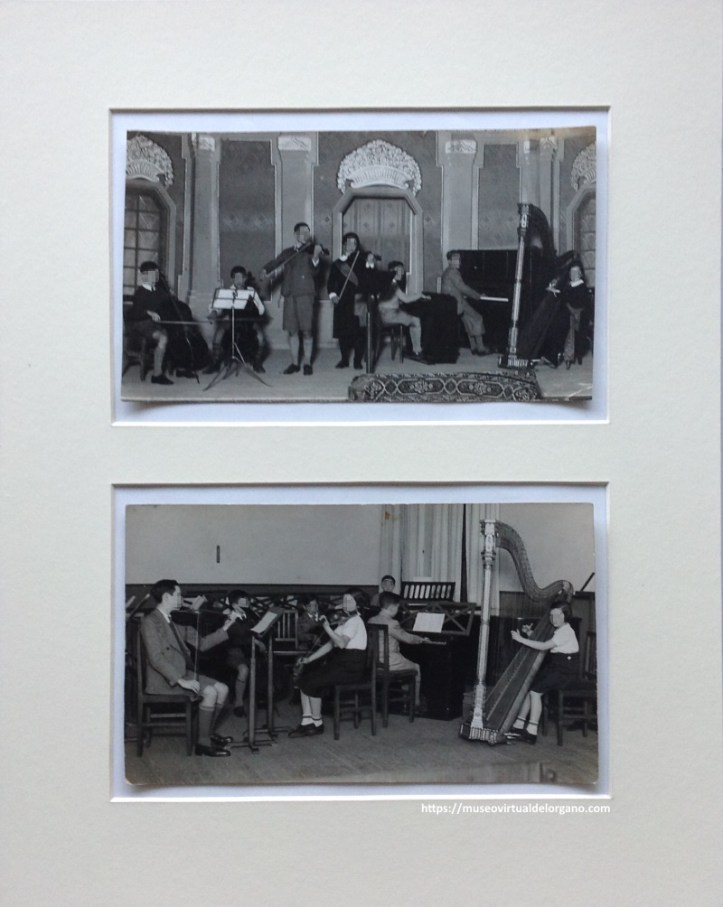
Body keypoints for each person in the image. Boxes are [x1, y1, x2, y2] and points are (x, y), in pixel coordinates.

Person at [140, 579, 239, 756]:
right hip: (164, 680)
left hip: (182, 673)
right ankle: (203, 743)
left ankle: (206, 733)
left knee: (222, 689)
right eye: (178, 594)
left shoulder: (175, 621)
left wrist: (228, 624)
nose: (181, 598)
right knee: (210, 692)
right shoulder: (150, 622)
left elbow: (202, 643)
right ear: (166, 597)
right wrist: (180, 681)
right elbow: (156, 659)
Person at [288, 589, 368, 737]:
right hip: (341, 662)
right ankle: (307, 722)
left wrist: (326, 627)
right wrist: (309, 659)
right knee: (303, 679)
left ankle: (317, 724)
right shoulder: (346, 620)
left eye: (350, 601)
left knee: (314, 682)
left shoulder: (355, 621)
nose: (345, 604)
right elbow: (330, 644)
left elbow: (341, 643)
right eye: (344, 600)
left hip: (352, 666)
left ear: (359, 604)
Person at [506, 602, 580, 744]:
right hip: (556, 668)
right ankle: (519, 725)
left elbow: (544, 646)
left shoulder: (566, 631)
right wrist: (530, 634)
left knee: (535, 692)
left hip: (565, 672)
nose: (554, 619)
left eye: (558, 615)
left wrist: (521, 639)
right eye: (552, 615)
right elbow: (548, 643)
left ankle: (531, 732)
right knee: (530, 690)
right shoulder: (560, 630)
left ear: (566, 615)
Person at [261, 222, 323, 376]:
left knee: (307, 330)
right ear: (296, 234)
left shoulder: (311, 252)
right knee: (292, 331)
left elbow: (315, 271)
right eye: (303, 232)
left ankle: (307, 363)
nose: (306, 235)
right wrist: (265, 269)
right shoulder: (288, 252)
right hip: (289, 295)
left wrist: (316, 256)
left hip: (305, 294)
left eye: (308, 233)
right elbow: (276, 262)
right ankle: (295, 363)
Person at [368, 591, 431, 709]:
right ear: (392, 608)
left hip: (374, 663)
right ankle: (415, 703)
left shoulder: (371, 620)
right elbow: (408, 638)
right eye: (397, 607)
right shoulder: (392, 623)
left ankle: (405, 702)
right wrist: (422, 639)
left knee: (407, 664)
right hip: (390, 662)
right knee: (416, 667)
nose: (398, 610)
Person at [205, 266, 266, 374]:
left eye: (241, 278)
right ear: (232, 279)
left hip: (247, 320)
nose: (238, 281)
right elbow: (215, 306)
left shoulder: (251, 291)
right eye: (235, 278)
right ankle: (215, 363)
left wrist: (255, 307)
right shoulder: (227, 292)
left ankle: (257, 362)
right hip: (232, 318)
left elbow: (261, 310)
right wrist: (213, 312)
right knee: (219, 334)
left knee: (261, 336)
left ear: (245, 279)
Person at [125, 260, 172, 384]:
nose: (156, 276)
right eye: (153, 273)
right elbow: (136, 313)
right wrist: (149, 313)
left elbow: (167, 306)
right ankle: (157, 375)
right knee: (163, 338)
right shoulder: (140, 292)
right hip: (141, 325)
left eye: (157, 273)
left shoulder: (160, 292)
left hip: (155, 324)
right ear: (144, 276)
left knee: (174, 335)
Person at [328, 232, 367, 369]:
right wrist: (333, 295)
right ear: (344, 245)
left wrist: (371, 264)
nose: (352, 246)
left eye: (354, 243)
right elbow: (331, 282)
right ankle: (344, 359)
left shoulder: (362, 261)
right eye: (349, 243)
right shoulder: (337, 264)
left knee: (359, 332)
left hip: (358, 300)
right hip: (343, 301)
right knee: (343, 332)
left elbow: (369, 277)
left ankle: (357, 360)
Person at [440, 250, 491, 355]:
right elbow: (463, 287)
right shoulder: (454, 272)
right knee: (477, 317)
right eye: (455, 260)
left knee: (468, 319)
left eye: (459, 259)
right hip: (457, 303)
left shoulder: (447, 271)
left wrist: (466, 295)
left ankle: (473, 347)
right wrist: (478, 296)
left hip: (451, 302)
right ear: (449, 261)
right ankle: (481, 348)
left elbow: (455, 288)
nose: (458, 262)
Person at [377, 261, 428, 361]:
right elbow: (406, 299)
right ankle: (417, 350)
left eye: (402, 270)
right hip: (389, 315)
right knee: (416, 321)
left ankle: (415, 349)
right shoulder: (393, 284)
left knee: (408, 316)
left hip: (380, 314)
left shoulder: (384, 282)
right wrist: (420, 295)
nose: (402, 273)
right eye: (399, 270)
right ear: (392, 271)